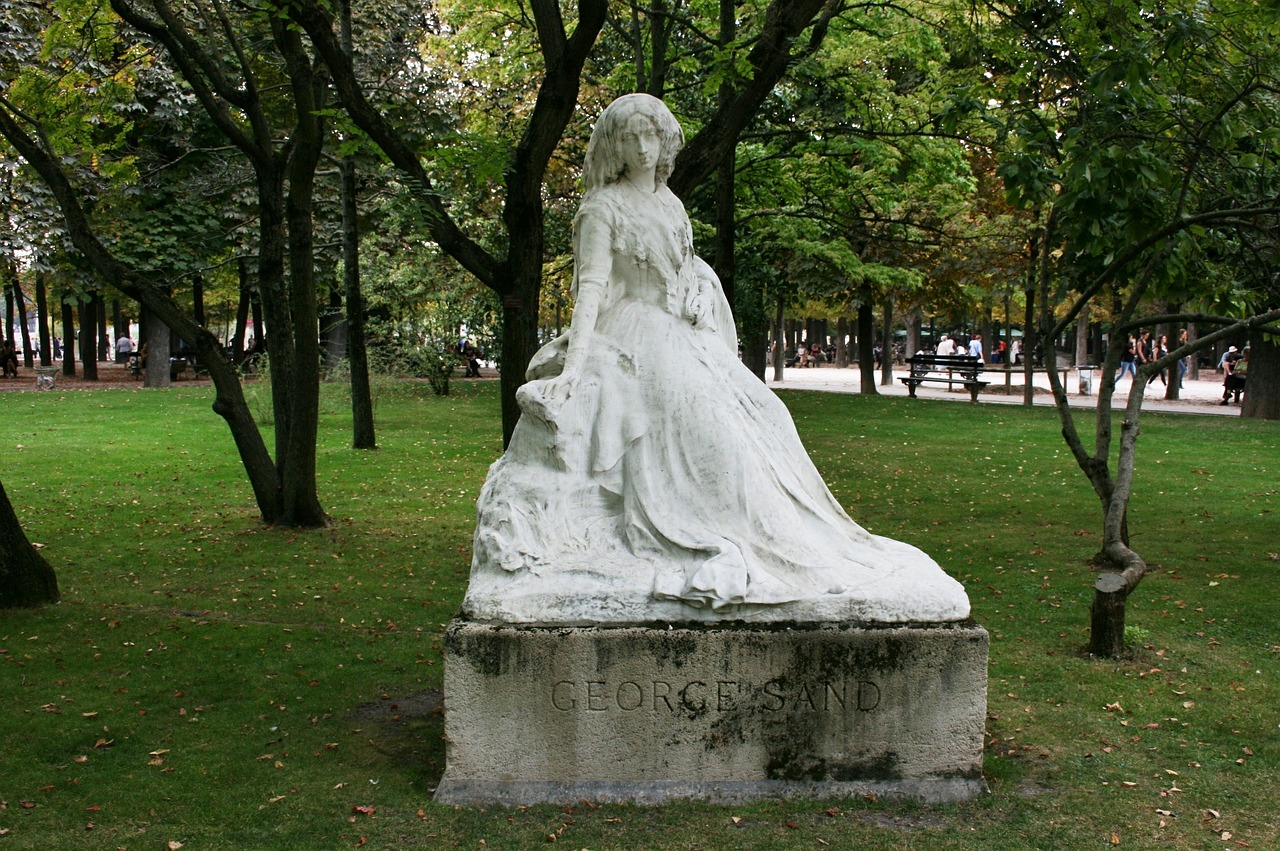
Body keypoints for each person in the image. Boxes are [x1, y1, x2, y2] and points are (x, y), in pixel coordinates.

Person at [465, 94, 967, 622]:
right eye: (632, 137)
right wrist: (574, 366)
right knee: (708, 425)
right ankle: (736, 537)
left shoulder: (671, 203)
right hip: (636, 335)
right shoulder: (600, 208)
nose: (642, 147)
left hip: (685, 333)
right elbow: (590, 288)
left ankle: (791, 541)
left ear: (664, 142)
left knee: (767, 414)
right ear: (615, 144)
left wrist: (700, 291)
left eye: (651, 135)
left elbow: (687, 268)